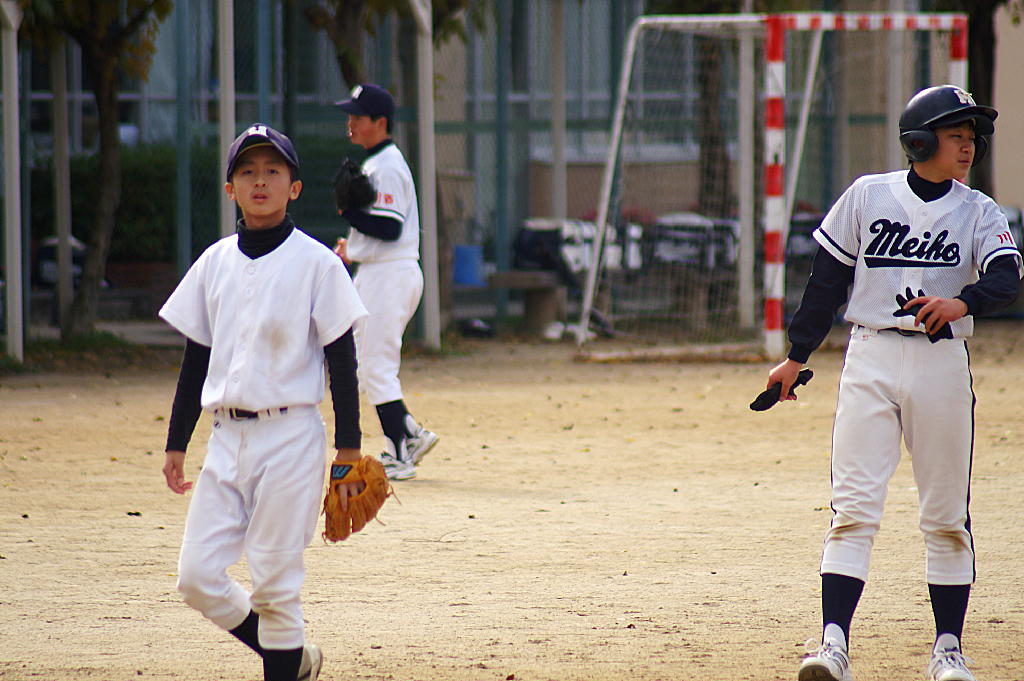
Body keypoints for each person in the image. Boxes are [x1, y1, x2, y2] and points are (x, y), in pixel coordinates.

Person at [766, 85, 1021, 681]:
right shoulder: (867, 196)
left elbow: (1008, 278)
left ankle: (948, 652)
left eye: (972, 136)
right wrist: (796, 356)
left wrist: (962, 302)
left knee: (946, 516)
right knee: (852, 509)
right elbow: (825, 282)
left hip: (942, 363)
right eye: (956, 135)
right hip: (870, 356)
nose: (969, 146)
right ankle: (833, 647)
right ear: (919, 141)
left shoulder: (979, 210)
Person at [160, 123, 368, 681]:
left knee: (275, 584)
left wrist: (348, 449)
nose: (260, 181)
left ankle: (283, 657)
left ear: (293, 188)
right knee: (196, 577)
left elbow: (342, 360)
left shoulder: (317, 263)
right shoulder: (214, 262)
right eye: (247, 171)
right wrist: (177, 442)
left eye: (273, 171)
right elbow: (196, 359)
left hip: (290, 437)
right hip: (226, 438)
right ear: (230, 189)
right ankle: (291, 656)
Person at [332, 83, 439, 481]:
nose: (350, 123)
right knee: (368, 365)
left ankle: (401, 450)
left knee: (376, 366)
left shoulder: (387, 166)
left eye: (357, 117)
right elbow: (383, 231)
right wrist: (354, 246)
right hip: (384, 272)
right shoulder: (380, 162)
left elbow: (390, 229)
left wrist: (348, 213)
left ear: (380, 122)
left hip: (390, 276)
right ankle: (408, 435)